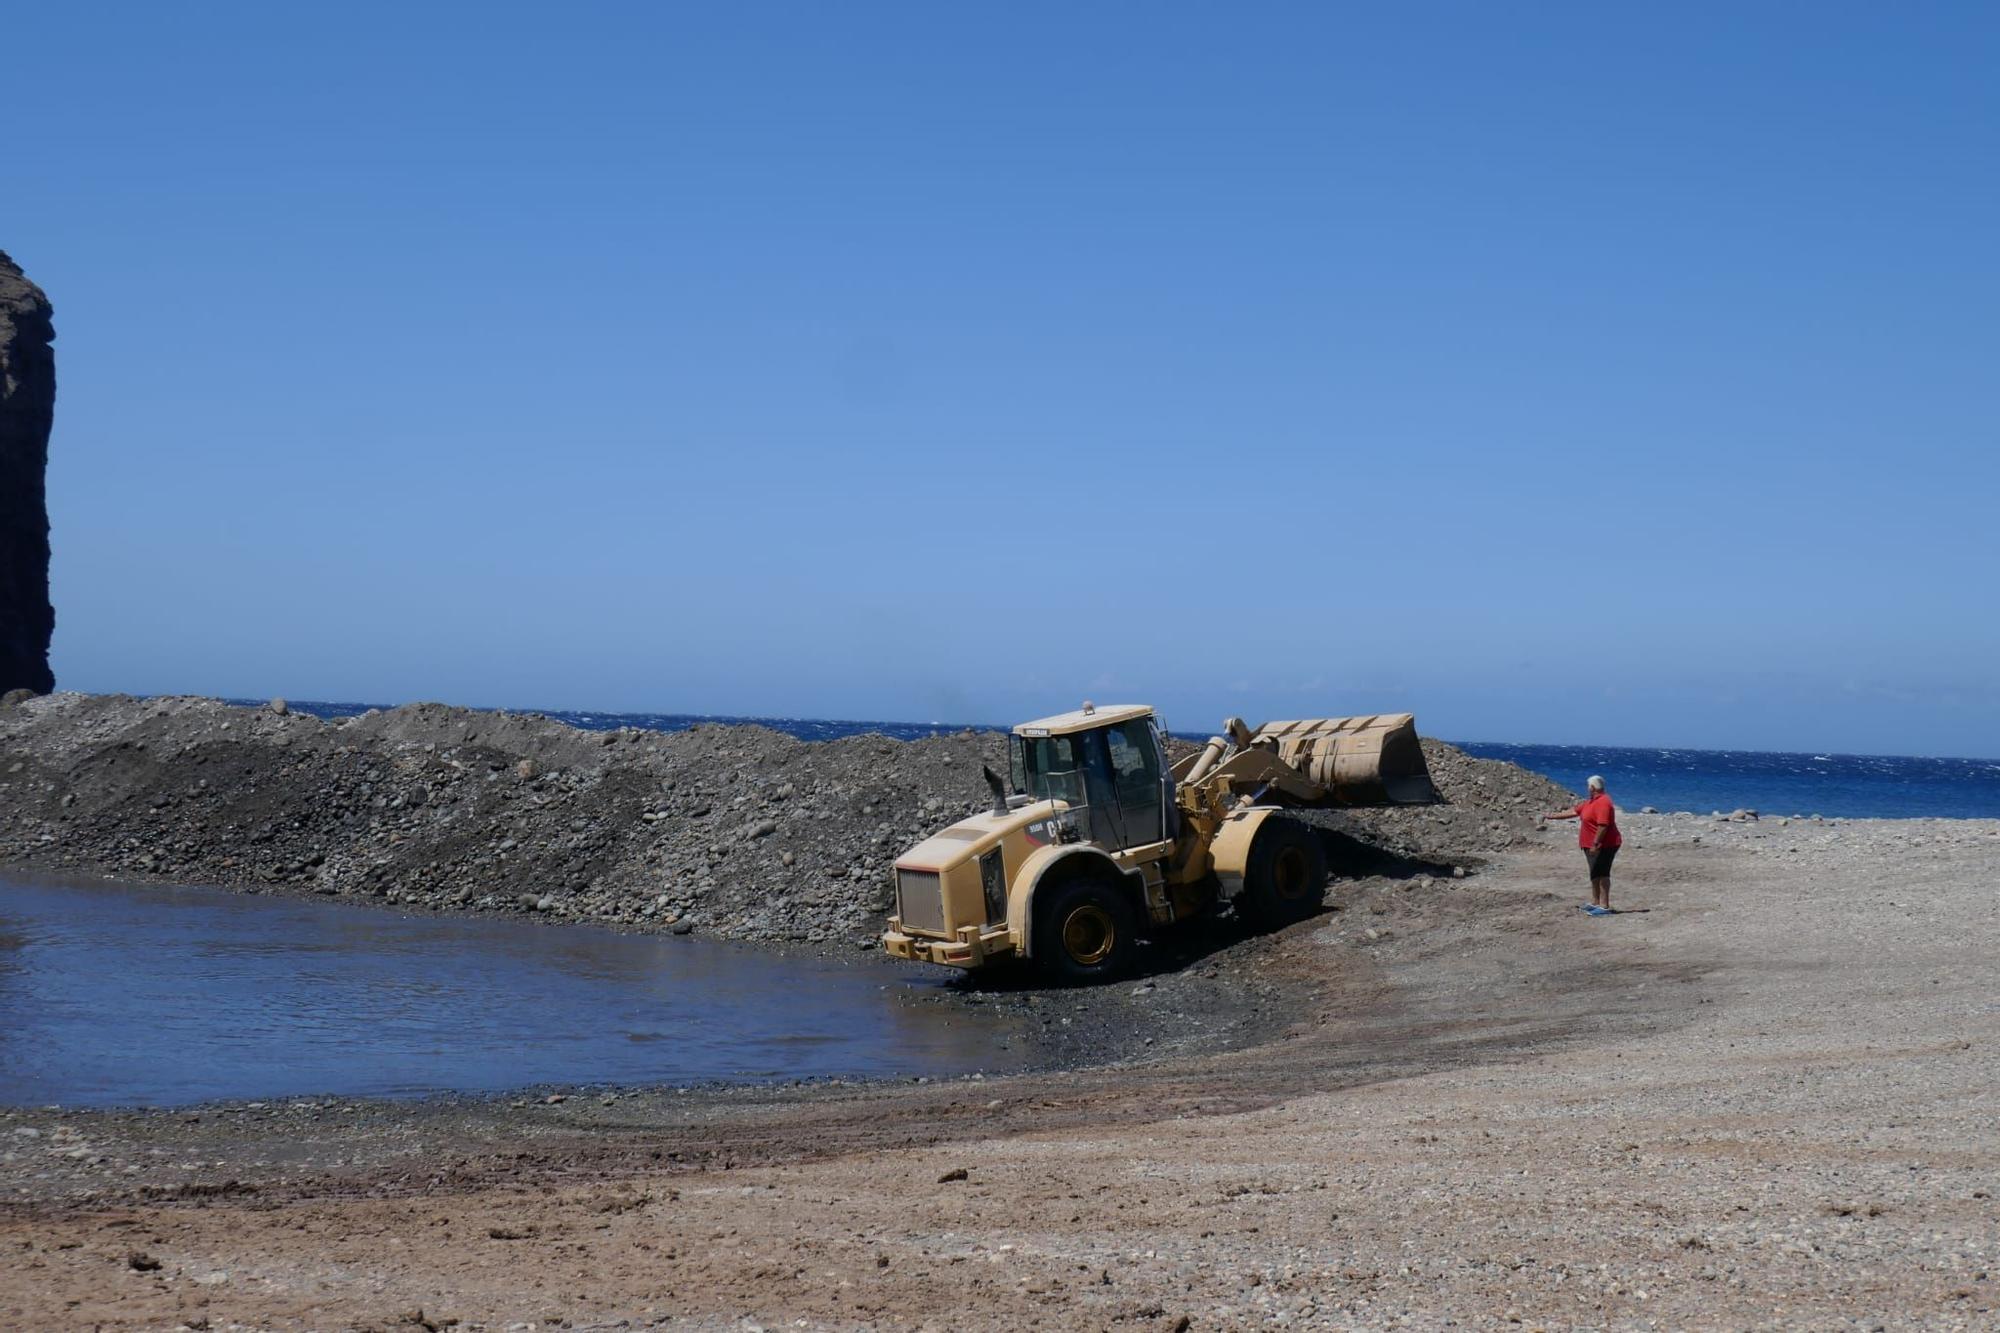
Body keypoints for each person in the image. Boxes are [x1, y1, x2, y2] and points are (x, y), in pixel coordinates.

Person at [1546, 775, 1622, 915]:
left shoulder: (1603, 802)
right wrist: (1553, 816)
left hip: (1605, 845)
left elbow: (1603, 825)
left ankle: (1604, 906)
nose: (1587, 788)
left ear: (1592, 787)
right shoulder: (1591, 802)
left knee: (1602, 874)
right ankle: (1595, 902)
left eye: (1588, 786)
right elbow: (1575, 811)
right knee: (1594, 873)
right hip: (1591, 844)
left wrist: (1595, 843)